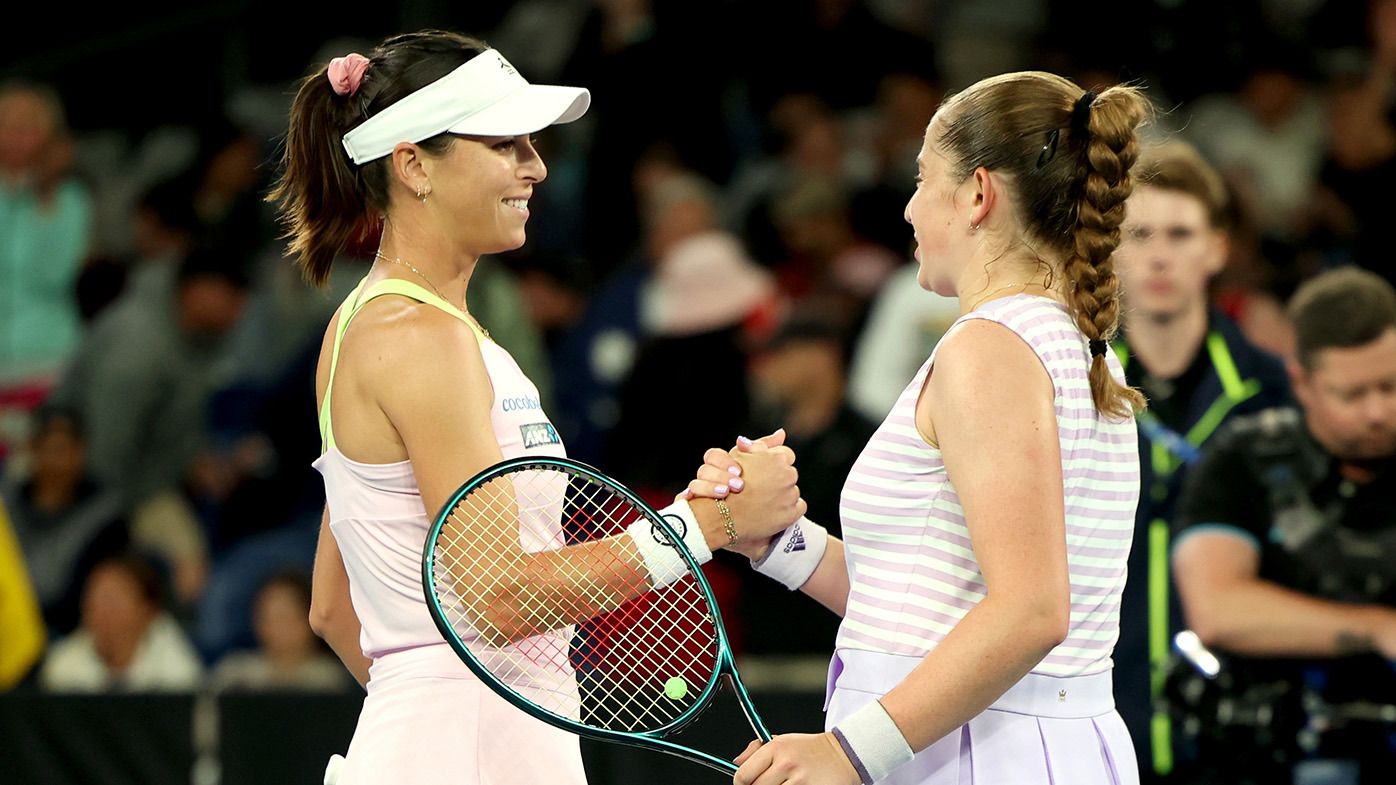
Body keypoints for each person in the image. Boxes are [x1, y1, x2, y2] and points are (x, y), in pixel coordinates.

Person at [266, 31, 804, 785]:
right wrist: (705, 524)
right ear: (412, 162)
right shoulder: (420, 337)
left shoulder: (382, 326)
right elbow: (496, 596)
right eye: (504, 144)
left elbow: (333, 606)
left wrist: (439, 708)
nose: (537, 166)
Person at [696, 73, 1148, 784]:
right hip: (1001, 747)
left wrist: (847, 750)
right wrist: (778, 542)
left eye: (921, 177)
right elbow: (929, 608)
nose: (908, 208)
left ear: (977, 194)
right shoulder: (1064, 341)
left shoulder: (992, 348)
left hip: (975, 755)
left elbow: (1031, 611)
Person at [1107, 140, 1292, 781]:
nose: (1159, 254)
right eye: (1140, 233)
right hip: (1098, 727)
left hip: (1240, 736)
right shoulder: (1070, 388)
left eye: (1180, 233)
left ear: (1216, 247)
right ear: (1111, 248)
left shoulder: (1275, 394)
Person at [1170, 267, 1396, 785]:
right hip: (1273, 758)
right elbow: (1218, 608)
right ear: (1301, 381)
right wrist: (1381, 629)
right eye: (1353, 394)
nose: (1378, 411)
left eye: (1390, 385)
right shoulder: (1244, 459)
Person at [39, 553, 204, 692]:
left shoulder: (177, 671)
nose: (99, 611)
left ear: (147, 610)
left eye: (111, 601)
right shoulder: (63, 665)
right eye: (93, 599)